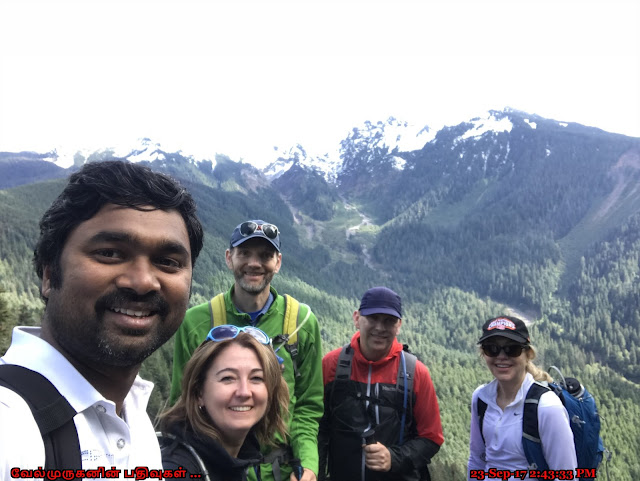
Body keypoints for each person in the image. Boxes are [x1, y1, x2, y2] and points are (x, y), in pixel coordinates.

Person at [0, 160, 204, 479]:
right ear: (50, 274)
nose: (142, 281)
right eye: (109, 253)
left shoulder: (134, 417)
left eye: (167, 262)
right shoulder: (10, 425)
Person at [170, 220, 323, 481]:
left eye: (265, 255)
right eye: (244, 254)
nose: (254, 263)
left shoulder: (302, 323)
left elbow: (308, 406)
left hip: (281, 471)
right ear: (229, 258)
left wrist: (308, 464)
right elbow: (182, 404)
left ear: (278, 262)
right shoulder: (195, 323)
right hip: (214, 468)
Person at [318, 286, 444, 481]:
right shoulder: (331, 365)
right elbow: (316, 426)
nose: (380, 327)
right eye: (373, 318)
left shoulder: (415, 373)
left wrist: (394, 458)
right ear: (357, 319)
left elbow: (432, 438)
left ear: (399, 325)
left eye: (389, 321)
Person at [159, 325, 290, 481]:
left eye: (256, 378)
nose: (244, 392)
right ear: (199, 392)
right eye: (228, 378)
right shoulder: (176, 470)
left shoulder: (234, 459)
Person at [467, 316, 577, 480]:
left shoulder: (546, 406)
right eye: (492, 348)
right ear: (484, 354)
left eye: (512, 349)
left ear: (528, 355)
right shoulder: (481, 398)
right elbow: (477, 459)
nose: (501, 356)